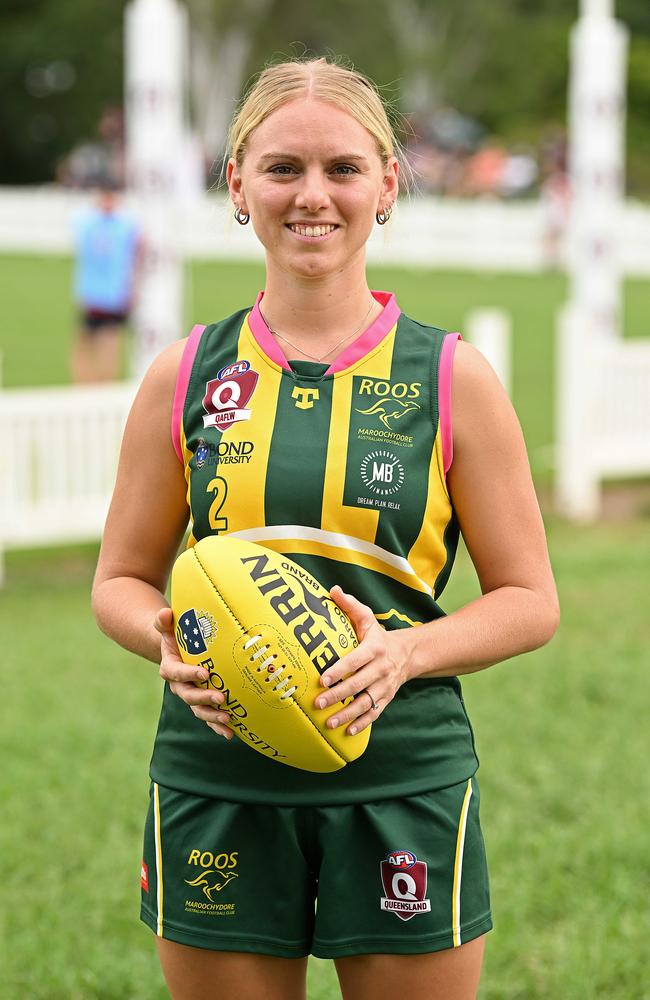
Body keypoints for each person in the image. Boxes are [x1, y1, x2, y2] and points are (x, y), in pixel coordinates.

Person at [92, 56, 559, 1000]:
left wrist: (406, 654)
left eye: (343, 169)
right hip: (218, 775)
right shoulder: (183, 376)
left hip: (401, 777)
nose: (313, 195)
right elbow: (120, 580)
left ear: (387, 184)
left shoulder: (450, 377)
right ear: (237, 184)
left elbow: (531, 601)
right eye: (282, 168)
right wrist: (167, 639)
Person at [71, 183, 140, 382]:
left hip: (111, 295)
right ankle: (87, 385)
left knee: (107, 344)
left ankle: (101, 386)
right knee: (88, 342)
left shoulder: (110, 225)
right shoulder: (122, 225)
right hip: (96, 293)